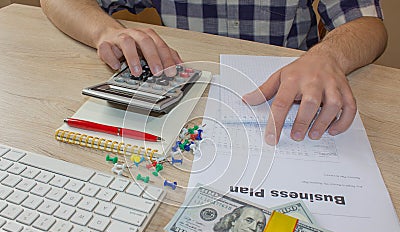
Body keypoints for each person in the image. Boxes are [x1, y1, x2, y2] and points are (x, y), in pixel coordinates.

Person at [40, 0, 387, 145]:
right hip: (193, 102)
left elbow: (369, 24)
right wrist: (105, 32)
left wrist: (329, 55)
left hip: (295, 88)